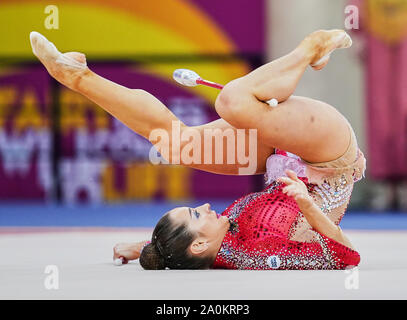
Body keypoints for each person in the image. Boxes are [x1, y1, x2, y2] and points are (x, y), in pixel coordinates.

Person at [30, 29, 366, 270]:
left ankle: (77, 77)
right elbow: (344, 257)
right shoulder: (256, 254)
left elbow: (181, 250)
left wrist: (149, 249)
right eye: (194, 214)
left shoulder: (214, 245)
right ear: (200, 243)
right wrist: (307, 205)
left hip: (281, 153)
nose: (205, 205)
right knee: (232, 102)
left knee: (175, 146)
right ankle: (312, 47)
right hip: (329, 157)